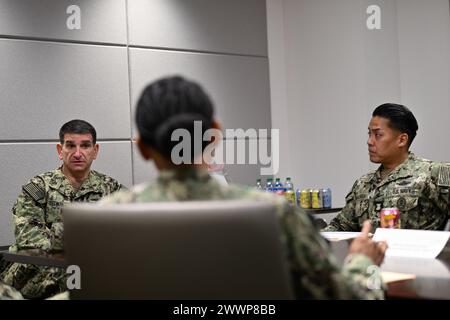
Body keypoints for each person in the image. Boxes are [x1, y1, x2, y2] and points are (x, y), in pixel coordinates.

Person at [100, 75, 387, 299]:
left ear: (141, 148)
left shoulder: (107, 217)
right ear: (215, 133)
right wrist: (363, 263)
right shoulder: (272, 213)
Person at [0, 119, 124, 299]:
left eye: (85, 145)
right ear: (60, 150)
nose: (78, 153)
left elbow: (127, 235)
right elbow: (29, 238)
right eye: (71, 145)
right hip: (38, 275)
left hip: (93, 271)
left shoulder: (111, 189)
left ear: (95, 151)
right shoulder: (38, 188)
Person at [325, 103, 450, 232]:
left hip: (416, 251)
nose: (369, 141)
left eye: (378, 135)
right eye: (369, 134)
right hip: (371, 251)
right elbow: (340, 226)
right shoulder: (363, 184)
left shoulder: (435, 173)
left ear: (401, 140)